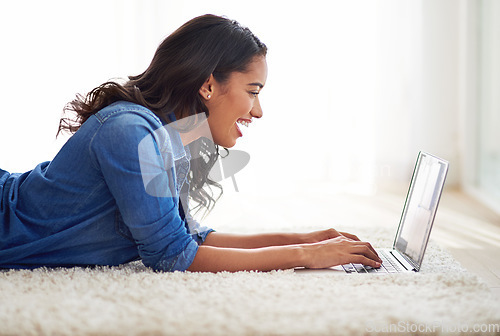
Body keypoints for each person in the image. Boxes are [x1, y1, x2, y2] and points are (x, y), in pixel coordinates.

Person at [0, 14, 381, 272]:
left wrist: (308, 238)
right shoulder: (131, 132)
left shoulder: (175, 135)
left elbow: (188, 237)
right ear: (209, 85)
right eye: (253, 91)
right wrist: (302, 256)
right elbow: (171, 255)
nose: (258, 111)